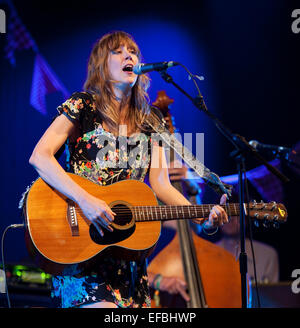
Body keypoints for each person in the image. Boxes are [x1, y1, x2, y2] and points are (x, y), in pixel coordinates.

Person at [28, 30, 228, 308]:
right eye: (118, 51)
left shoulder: (152, 121)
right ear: (101, 64)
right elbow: (40, 156)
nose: (128, 55)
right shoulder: (83, 105)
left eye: (133, 51)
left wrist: (202, 219)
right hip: (82, 253)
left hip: (128, 259)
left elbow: (161, 186)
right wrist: (85, 200)